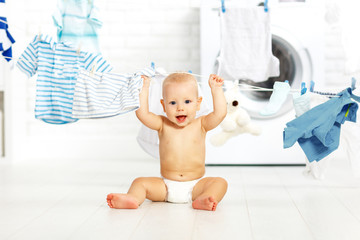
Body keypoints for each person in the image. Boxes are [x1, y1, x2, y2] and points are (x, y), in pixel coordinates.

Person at [107, 73, 228, 211]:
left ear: (198, 103)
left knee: (220, 183)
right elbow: (143, 114)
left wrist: (216, 89)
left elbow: (220, 113)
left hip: (196, 185)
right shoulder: (162, 124)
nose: (180, 108)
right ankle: (133, 198)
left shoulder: (201, 124)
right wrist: (144, 88)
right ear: (163, 106)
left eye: (187, 102)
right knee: (139, 182)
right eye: (172, 103)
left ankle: (205, 197)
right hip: (165, 186)